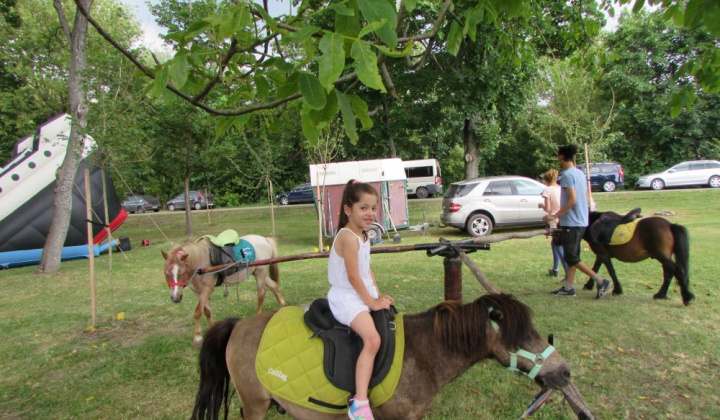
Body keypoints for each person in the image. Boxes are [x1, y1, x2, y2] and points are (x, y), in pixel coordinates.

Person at [327, 180, 395, 420]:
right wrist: (373, 303)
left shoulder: (364, 236)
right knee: (373, 339)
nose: (370, 213)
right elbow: (354, 277)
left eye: (373, 208)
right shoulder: (347, 237)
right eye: (363, 208)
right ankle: (360, 402)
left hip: (361, 295)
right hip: (346, 298)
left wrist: (377, 295)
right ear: (348, 210)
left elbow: (367, 271)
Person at [543, 144, 611, 298]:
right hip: (581, 221)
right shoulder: (579, 173)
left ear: (561, 156)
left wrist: (555, 215)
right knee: (573, 255)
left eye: (558, 156)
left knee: (571, 257)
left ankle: (600, 281)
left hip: (572, 223)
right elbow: (584, 197)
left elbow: (572, 200)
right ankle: (568, 288)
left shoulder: (567, 175)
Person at [538, 168, 567, 281]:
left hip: (553, 219)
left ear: (547, 179)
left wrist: (541, 206)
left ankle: (567, 273)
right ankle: (555, 269)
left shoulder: (547, 190)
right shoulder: (560, 189)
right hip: (562, 218)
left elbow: (548, 208)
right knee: (555, 244)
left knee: (558, 246)